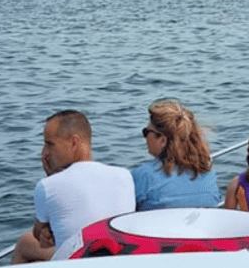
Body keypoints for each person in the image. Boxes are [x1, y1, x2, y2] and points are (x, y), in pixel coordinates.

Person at [28, 110, 135, 257]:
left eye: (49, 145)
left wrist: (52, 178)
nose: (44, 153)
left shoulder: (48, 186)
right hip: (118, 260)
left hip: (77, 261)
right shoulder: (125, 175)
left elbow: (39, 235)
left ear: (74, 143)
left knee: (24, 244)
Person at [132, 98, 220, 210]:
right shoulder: (209, 174)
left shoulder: (142, 176)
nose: (145, 138)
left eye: (146, 132)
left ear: (163, 140)